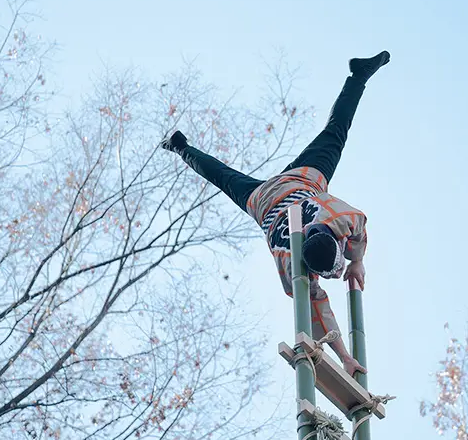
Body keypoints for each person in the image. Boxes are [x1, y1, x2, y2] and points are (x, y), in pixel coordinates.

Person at [160, 51, 390, 376]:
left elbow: (316, 307)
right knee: (224, 177)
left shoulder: (302, 254)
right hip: (270, 198)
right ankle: (358, 76)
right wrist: (346, 356)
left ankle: (180, 146)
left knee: (334, 134)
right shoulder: (323, 231)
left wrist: (354, 262)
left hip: (285, 190)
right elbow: (320, 304)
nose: (332, 277)